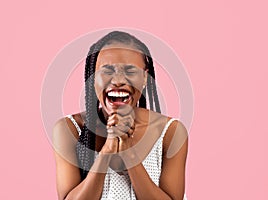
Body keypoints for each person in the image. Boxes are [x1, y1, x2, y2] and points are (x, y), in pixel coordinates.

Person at [52, 31, 188, 200]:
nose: (117, 80)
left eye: (130, 71)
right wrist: (108, 149)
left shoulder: (171, 132)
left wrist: (129, 151)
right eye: (107, 71)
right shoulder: (69, 129)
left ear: (145, 78)